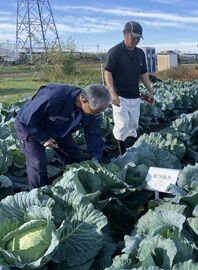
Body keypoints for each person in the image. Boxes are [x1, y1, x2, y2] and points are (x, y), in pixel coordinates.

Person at [15, 84, 111, 190]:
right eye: (95, 111)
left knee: (76, 159)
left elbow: (94, 136)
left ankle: (74, 184)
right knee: (37, 164)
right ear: (84, 101)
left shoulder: (93, 113)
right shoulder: (54, 96)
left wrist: (96, 161)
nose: (96, 114)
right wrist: (44, 139)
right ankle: (37, 195)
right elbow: (26, 119)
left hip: (59, 129)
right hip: (30, 128)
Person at [104, 20, 154, 155]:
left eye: (138, 38)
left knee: (133, 125)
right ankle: (122, 155)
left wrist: (150, 91)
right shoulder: (114, 52)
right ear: (125, 33)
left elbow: (143, 74)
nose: (136, 40)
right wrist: (112, 92)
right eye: (133, 37)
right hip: (119, 96)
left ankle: (131, 153)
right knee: (121, 125)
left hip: (134, 95)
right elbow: (107, 73)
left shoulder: (140, 54)